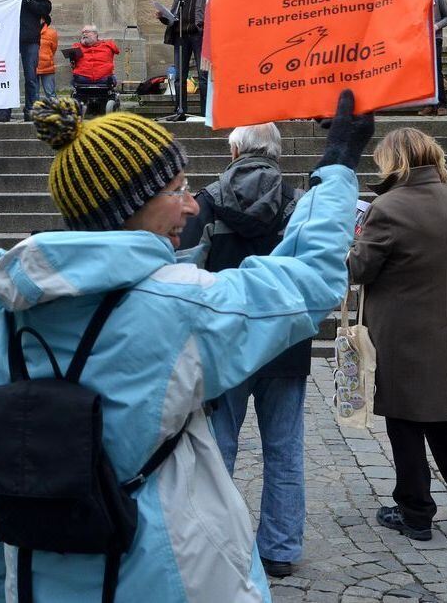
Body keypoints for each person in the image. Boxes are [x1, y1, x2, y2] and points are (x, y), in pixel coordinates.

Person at [0, 91, 373, 602]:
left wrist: (4, 589)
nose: (193, 205)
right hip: (169, 575)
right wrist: (338, 162)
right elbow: (307, 281)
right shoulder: (178, 305)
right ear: (131, 206)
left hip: (40, 582)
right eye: (178, 189)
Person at [178, 123, 312, 580]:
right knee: (285, 447)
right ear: (276, 151)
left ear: (234, 148)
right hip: (285, 340)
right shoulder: (299, 202)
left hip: (225, 342)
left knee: (216, 449)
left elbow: (185, 270)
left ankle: (214, 543)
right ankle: (280, 548)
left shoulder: (205, 200)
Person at [348, 127, 447, 540]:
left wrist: (351, 235)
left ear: (393, 161)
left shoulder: (388, 207)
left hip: (403, 330)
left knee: (405, 420)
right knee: (443, 417)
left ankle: (415, 511)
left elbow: (359, 269)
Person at [157, 0, 213, 121]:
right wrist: (163, 17)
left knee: (203, 76)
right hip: (181, 36)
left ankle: (205, 113)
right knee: (180, 75)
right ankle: (180, 111)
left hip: (200, 36)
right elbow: (174, 15)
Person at [420, 0, 447, 116]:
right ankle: (429, 103)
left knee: (436, 70)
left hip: (435, 38)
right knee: (425, 72)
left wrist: (436, 26)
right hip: (421, 40)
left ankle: (441, 104)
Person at [37, 15, 58, 103]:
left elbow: (54, 48)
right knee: (33, 93)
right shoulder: (30, 31)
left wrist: (47, 58)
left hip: (47, 67)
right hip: (33, 66)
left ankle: (55, 112)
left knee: (51, 93)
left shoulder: (51, 33)